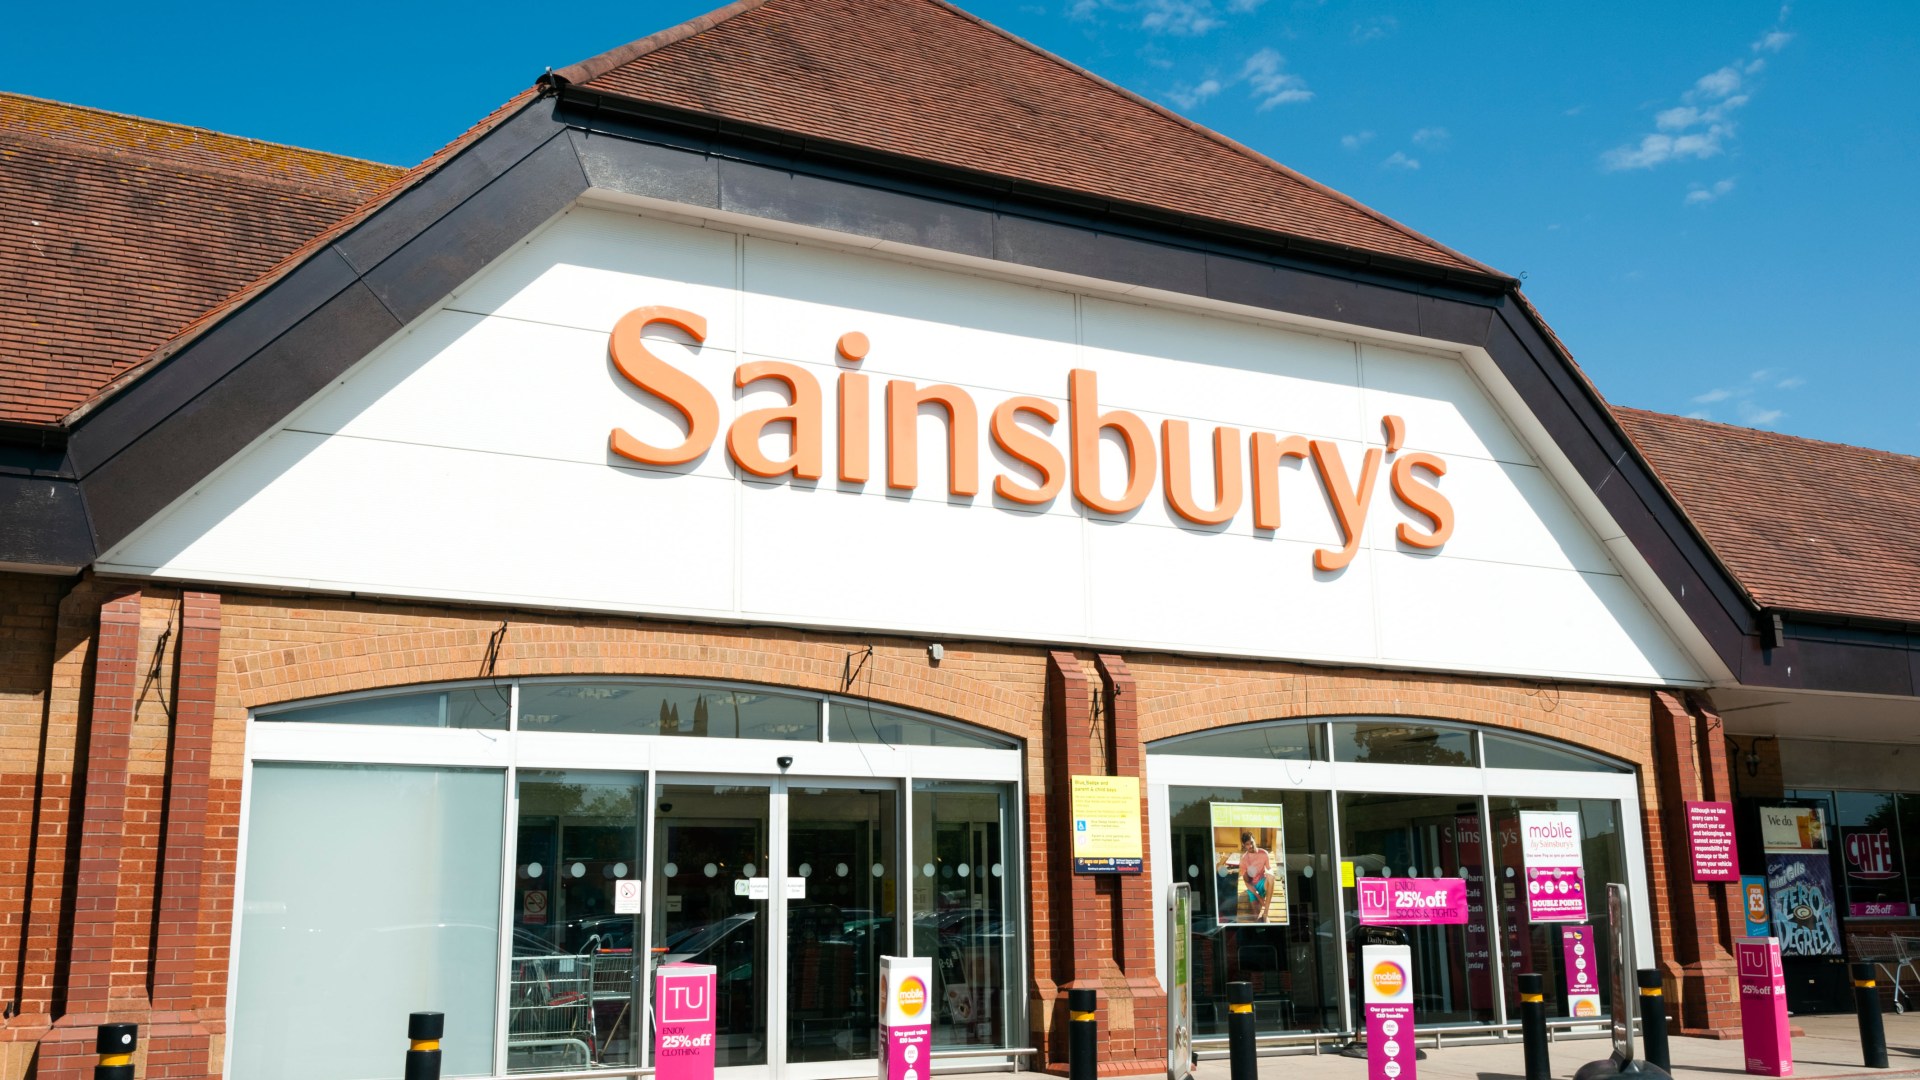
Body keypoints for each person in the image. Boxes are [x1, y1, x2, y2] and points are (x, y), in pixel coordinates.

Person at [1238, 832, 1273, 922]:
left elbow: (1269, 869)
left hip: (1262, 882)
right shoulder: (1244, 859)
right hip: (1252, 887)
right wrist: (1259, 897)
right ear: (1244, 845)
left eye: (1251, 842)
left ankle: (1266, 913)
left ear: (1254, 841)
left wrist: (1270, 874)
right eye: (1247, 844)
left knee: (1271, 877)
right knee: (1256, 915)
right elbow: (1246, 882)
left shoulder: (1264, 853)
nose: (1250, 846)